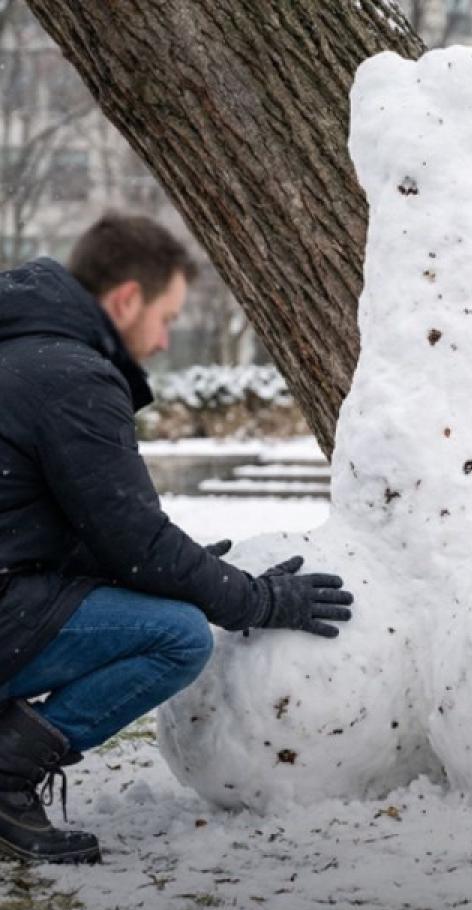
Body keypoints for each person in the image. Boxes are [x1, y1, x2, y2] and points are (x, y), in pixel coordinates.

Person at [0, 213, 354, 866]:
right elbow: (135, 539)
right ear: (127, 299)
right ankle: (7, 772)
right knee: (178, 635)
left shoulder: (23, 353)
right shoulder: (69, 375)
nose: (164, 341)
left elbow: (52, 527)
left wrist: (168, 568)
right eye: (165, 317)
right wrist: (260, 602)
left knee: (162, 603)